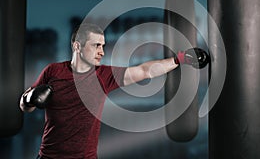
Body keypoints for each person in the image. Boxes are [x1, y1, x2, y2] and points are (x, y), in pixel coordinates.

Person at [19, 23, 209, 159]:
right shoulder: (53, 71)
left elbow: (144, 71)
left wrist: (181, 59)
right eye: (96, 46)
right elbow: (26, 107)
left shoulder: (104, 75)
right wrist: (28, 99)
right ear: (77, 46)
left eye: (103, 45)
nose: (102, 51)